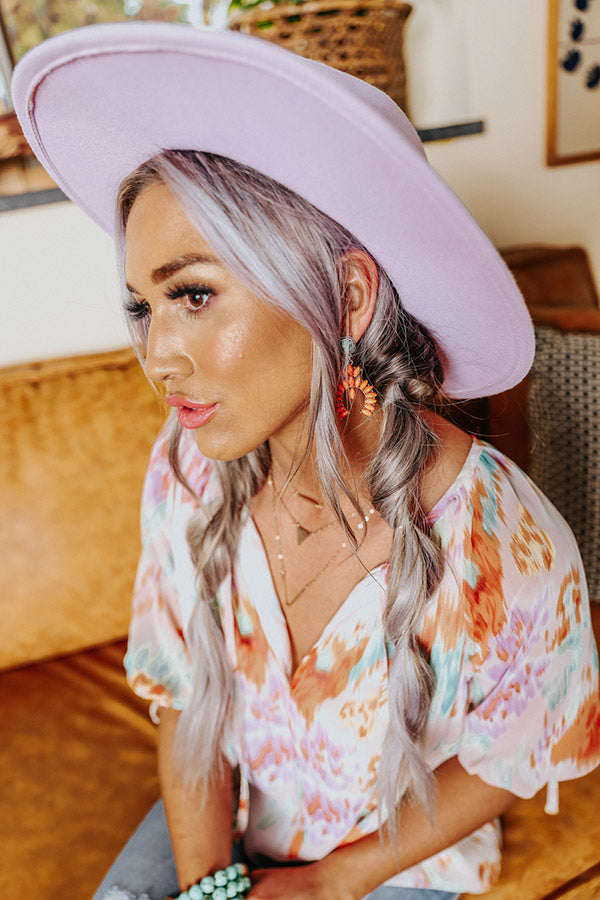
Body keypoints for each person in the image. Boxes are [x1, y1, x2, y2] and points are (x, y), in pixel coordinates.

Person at [12, 21, 600, 900]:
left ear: (349, 296)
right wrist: (209, 886)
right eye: (143, 307)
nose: (157, 357)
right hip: (227, 817)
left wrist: (331, 883)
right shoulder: (186, 467)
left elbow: (524, 745)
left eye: (194, 294)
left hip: (398, 865)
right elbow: (187, 695)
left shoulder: (501, 540)